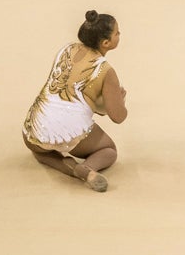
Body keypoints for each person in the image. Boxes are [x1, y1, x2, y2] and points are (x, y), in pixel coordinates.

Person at [22, 11, 128, 192]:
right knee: (109, 150)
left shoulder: (67, 49)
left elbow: (69, 90)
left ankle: (68, 166)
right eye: (117, 33)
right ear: (105, 43)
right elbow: (118, 116)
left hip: (32, 131)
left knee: (40, 150)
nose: (120, 34)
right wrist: (121, 99)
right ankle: (87, 168)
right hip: (69, 133)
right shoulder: (106, 71)